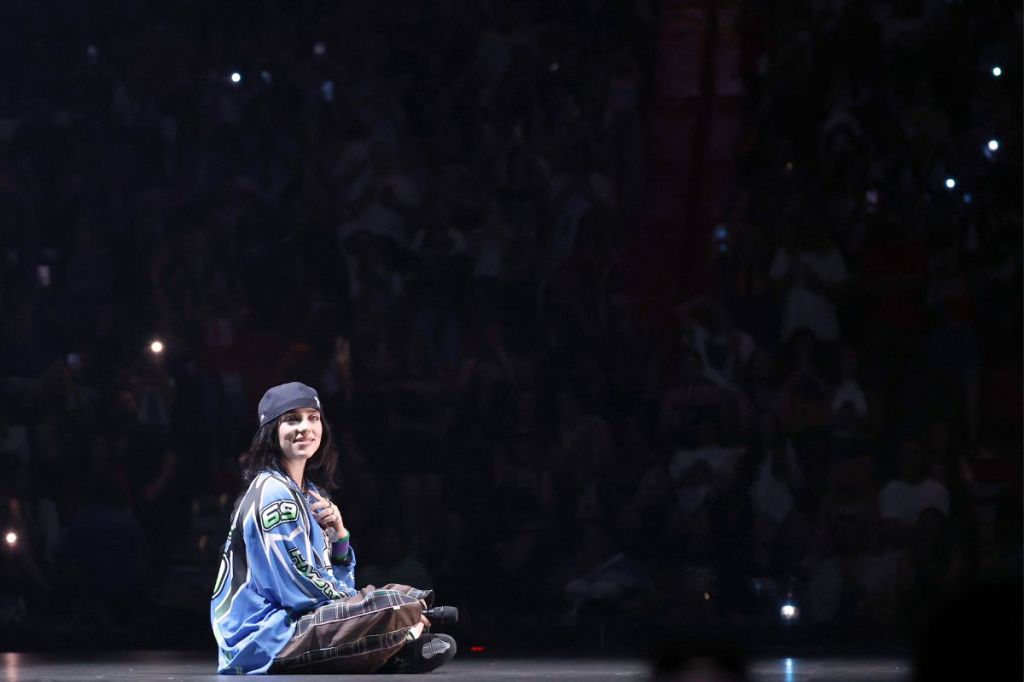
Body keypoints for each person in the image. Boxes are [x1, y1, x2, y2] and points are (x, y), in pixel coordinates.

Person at [210, 382, 456, 674]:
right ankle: (395, 643)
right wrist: (359, 606)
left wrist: (339, 538)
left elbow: (333, 581)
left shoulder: (310, 494)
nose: (305, 427)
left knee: (398, 595)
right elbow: (296, 588)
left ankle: (392, 642)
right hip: (266, 634)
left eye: (313, 418)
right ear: (271, 431)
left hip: (298, 620)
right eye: (292, 419)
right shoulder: (273, 492)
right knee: (393, 605)